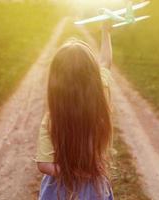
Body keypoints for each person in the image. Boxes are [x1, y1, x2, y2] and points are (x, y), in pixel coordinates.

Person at [35, 22, 114, 200]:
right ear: (92, 75)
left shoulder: (52, 119)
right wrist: (105, 32)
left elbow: (44, 165)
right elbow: (106, 62)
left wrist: (71, 172)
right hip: (93, 187)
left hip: (57, 190)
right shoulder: (100, 91)